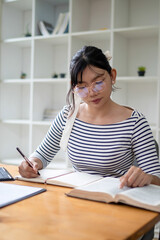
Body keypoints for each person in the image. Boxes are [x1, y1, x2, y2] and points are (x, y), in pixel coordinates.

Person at [19, 45, 160, 189]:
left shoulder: (135, 122)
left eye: (98, 83)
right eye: (82, 87)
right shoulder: (68, 116)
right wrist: (30, 164)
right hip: (78, 197)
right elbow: (41, 156)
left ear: (112, 76)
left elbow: (156, 177)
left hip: (117, 200)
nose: (92, 93)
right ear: (74, 87)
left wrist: (146, 177)